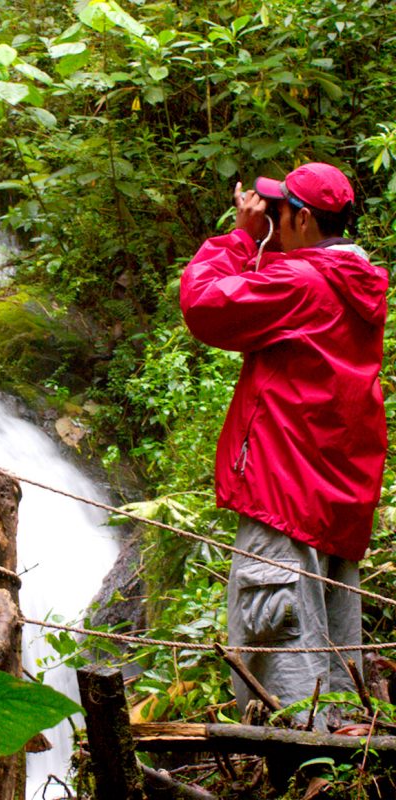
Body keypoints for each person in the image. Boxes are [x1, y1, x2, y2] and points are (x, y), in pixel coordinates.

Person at [179, 162, 388, 723]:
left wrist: (242, 238)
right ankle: (344, 760)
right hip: (335, 498)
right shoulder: (356, 280)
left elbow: (205, 306)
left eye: (279, 211)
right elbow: (291, 292)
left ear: (300, 218)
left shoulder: (297, 283)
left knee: (281, 644)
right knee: (334, 650)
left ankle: (303, 771)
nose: (270, 218)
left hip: (283, 491)